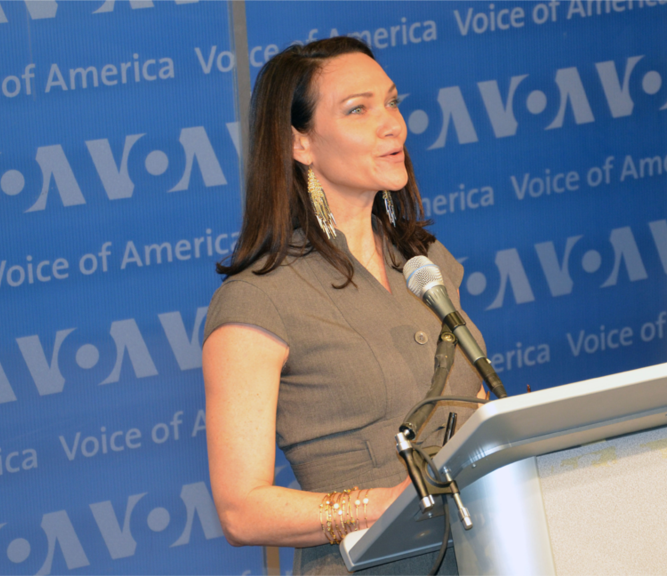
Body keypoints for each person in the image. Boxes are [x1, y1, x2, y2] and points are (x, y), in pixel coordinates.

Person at [201, 37, 488, 576]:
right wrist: (383, 504)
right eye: (359, 109)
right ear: (301, 144)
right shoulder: (258, 300)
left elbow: (471, 413)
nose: (393, 125)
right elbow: (241, 510)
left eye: (393, 102)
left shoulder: (426, 262)